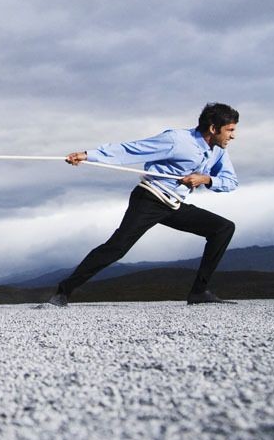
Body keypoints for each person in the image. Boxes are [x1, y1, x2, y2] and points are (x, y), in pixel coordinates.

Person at [47, 103, 239, 307]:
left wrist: (206, 179)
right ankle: (63, 292)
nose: (233, 136)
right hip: (149, 198)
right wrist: (86, 155)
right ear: (213, 128)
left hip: (173, 205)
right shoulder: (177, 140)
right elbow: (131, 150)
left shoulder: (218, 151)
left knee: (223, 228)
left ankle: (199, 292)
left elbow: (231, 181)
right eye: (230, 130)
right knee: (117, 248)